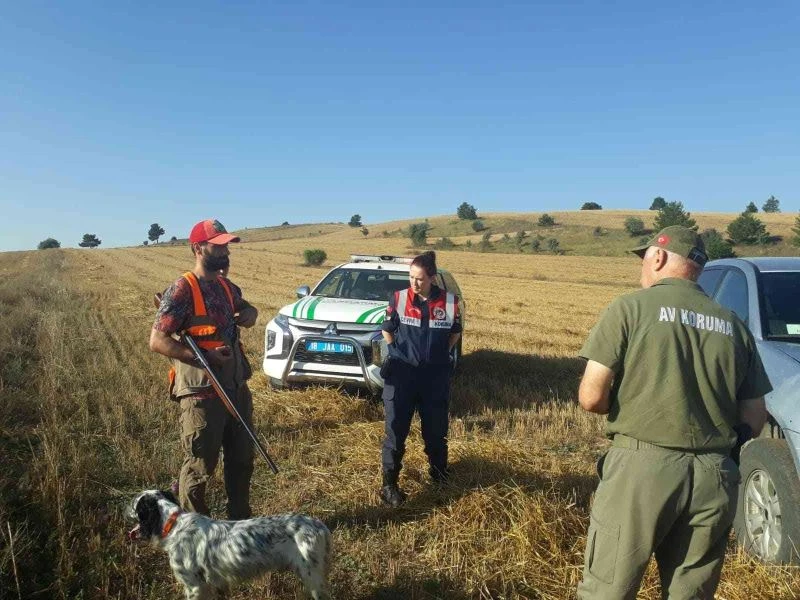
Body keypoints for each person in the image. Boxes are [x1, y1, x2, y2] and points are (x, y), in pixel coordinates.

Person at [576, 225, 771, 599]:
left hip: (641, 470)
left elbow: (591, 396)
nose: (642, 267)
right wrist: (727, 452)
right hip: (715, 475)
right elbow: (755, 413)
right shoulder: (734, 325)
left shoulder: (629, 308)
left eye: (644, 258)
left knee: (607, 590)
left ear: (659, 257)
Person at [150, 219, 259, 519]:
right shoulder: (182, 289)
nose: (225, 251)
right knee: (200, 468)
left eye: (226, 245)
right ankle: (195, 531)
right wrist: (203, 358)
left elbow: (246, 308)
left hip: (235, 388)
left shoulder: (226, 286)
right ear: (198, 248)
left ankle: (240, 525)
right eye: (218, 246)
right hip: (202, 394)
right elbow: (157, 341)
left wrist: (250, 313)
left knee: (242, 460)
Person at [379, 250, 462, 507]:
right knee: (395, 433)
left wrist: (440, 354)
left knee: (436, 432)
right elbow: (387, 329)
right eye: (411, 277)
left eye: (420, 279)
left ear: (432, 278)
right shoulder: (399, 298)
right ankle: (389, 486)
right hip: (402, 376)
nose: (414, 283)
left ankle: (439, 477)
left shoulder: (450, 302)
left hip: (434, 378)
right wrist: (397, 352)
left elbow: (455, 333)